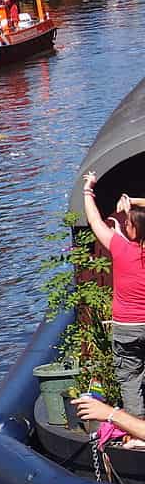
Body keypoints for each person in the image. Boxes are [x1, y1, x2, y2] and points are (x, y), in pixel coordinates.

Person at [82, 172, 145, 417]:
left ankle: (139, 434)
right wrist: (137, 202)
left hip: (127, 327)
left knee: (130, 379)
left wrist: (88, 190)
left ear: (132, 230)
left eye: (128, 223)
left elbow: (95, 220)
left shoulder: (120, 248)